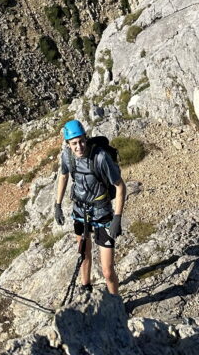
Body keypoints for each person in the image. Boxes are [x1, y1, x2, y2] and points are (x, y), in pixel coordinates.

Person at [54, 119, 126, 295]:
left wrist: (117, 217)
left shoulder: (100, 157)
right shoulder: (67, 156)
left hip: (102, 213)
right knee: (84, 256)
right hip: (80, 211)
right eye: (74, 143)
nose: (79, 147)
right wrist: (57, 204)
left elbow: (120, 186)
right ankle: (85, 289)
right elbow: (63, 177)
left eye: (81, 141)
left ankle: (116, 303)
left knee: (107, 271)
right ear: (68, 144)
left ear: (86, 138)